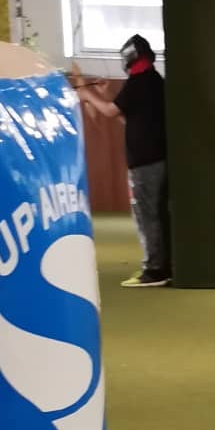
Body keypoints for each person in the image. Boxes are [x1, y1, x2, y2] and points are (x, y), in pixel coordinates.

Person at [72, 34, 171, 287]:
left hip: (145, 161)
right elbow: (127, 118)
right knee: (153, 213)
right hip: (153, 159)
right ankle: (160, 265)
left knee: (147, 215)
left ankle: (155, 269)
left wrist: (85, 92)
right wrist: (99, 94)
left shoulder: (139, 82)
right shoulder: (153, 81)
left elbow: (107, 111)